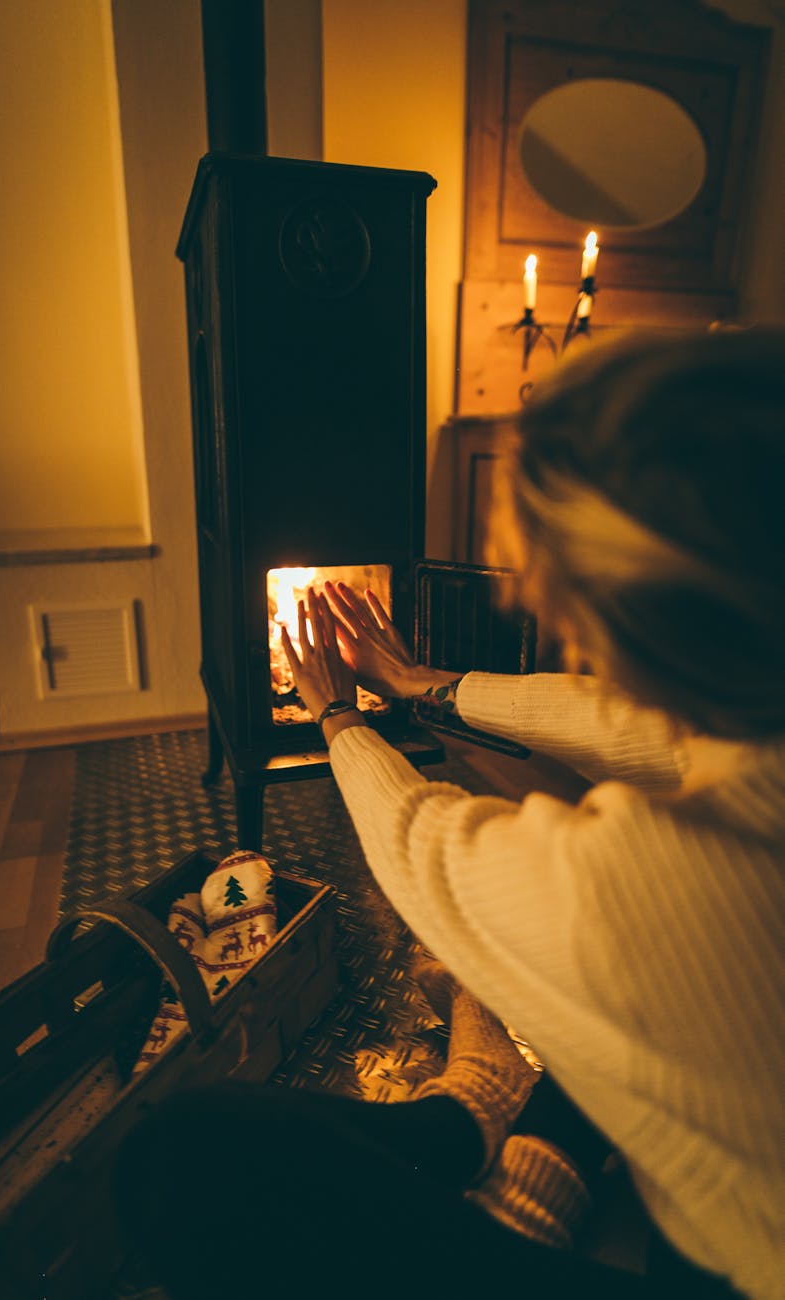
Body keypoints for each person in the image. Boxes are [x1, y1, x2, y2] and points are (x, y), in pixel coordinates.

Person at [115, 331, 783, 1298]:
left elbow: (424, 844)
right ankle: (476, 1122)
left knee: (179, 1157)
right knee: (619, 1022)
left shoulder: (648, 891)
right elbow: (641, 731)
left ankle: (491, 1147)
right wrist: (426, 685)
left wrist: (337, 714)